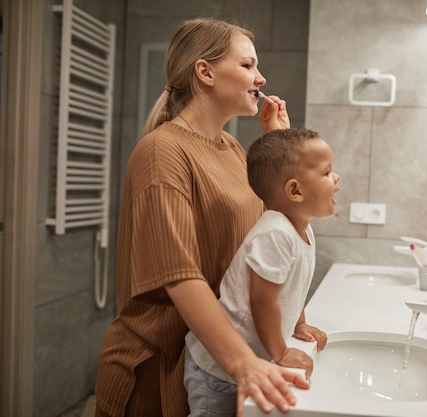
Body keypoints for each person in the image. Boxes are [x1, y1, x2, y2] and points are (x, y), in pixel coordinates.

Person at [94, 18, 310, 417]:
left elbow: (271, 235)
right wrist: (243, 363)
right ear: (205, 72)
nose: (260, 78)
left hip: (208, 358)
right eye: (247, 66)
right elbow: (180, 276)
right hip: (155, 369)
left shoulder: (232, 148)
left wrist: (277, 147)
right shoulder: (162, 152)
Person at [184, 128, 338, 416]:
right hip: (218, 369)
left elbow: (293, 288)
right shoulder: (276, 232)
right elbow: (262, 301)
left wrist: (298, 324)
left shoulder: (302, 229)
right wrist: (280, 352)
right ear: (295, 191)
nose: (337, 180)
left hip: (248, 359)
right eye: (328, 173)